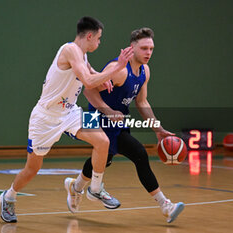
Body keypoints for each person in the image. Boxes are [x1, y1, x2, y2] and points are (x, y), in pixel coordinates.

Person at [0, 16, 133, 223]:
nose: (99, 42)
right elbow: (88, 81)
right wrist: (117, 67)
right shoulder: (70, 50)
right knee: (32, 169)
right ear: (89, 36)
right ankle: (9, 196)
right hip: (45, 117)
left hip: (71, 112)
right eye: (98, 38)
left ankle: (95, 188)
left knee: (103, 141)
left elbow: (93, 76)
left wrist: (105, 80)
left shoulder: (83, 56)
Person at [65, 27, 185, 223]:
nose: (148, 53)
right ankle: (165, 205)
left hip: (117, 119)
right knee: (139, 153)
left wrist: (158, 128)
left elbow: (142, 102)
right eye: (144, 48)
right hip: (97, 116)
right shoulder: (119, 70)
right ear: (132, 47)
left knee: (105, 160)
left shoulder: (144, 71)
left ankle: (76, 186)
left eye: (151, 49)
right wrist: (108, 111)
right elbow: (88, 90)